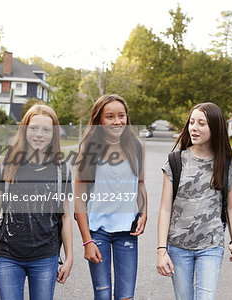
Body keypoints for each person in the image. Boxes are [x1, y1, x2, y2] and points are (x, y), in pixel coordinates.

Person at [0, 104, 73, 300]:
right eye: (34, 128)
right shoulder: (7, 166)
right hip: (9, 257)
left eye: (46, 129)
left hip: (46, 257)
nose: (39, 134)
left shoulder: (61, 171)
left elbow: (65, 217)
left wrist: (69, 257)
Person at [156, 102, 232, 300]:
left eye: (201, 123)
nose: (194, 128)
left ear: (215, 127)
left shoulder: (226, 164)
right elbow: (165, 209)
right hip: (177, 246)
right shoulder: (175, 161)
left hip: (211, 246)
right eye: (192, 122)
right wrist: (161, 250)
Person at [74, 94, 147, 300]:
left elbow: (140, 185)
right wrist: (87, 241)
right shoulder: (88, 149)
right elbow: (78, 199)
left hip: (127, 231)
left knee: (125, 297)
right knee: (103, 295)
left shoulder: (136, 146)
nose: (117, 121)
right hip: (98, 232)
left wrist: (144, 213)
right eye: (110, 117)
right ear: (99, 120)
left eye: (121, 115)